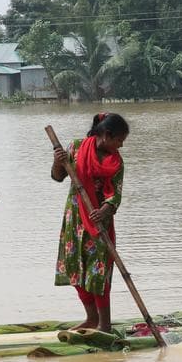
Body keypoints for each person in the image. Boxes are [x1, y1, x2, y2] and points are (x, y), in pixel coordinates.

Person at [51, 112, 129, 333]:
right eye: (119, 140)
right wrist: (58, 162)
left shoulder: (116, 162)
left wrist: (103, 211)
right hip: (75, 220)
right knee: (75, 268)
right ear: (106, 135)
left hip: (99, 224)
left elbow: (115, 196)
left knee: (98, 272)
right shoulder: (75, 148)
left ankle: (105, 325)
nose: (121, 146)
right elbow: (57, 176)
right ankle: (91, 318)